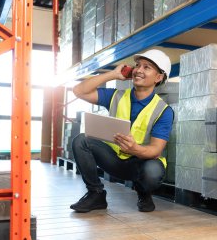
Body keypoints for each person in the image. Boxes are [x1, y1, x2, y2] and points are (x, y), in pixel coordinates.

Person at [70, 49, 174, 213]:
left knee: (153, 171)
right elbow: (78, 91)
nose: (138, 70)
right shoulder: (116, 96)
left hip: (140, 164)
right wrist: (112, 74)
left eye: (147, 67)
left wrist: (135, 149)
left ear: (159, 77)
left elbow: (155, 150)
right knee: (81, 140)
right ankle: (95, 194)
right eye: (138, 65)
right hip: (114, 160)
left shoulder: (164, 111)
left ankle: (144, 192)